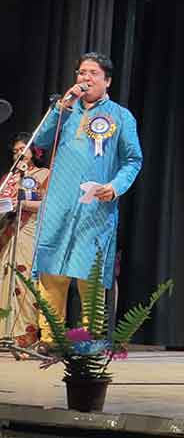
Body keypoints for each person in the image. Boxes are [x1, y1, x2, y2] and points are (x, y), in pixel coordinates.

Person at [31, 52, 143, 353]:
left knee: (88, 272)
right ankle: (50, 338)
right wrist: (59, 108)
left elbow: (133, 160)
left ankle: (86, 340)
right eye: (81, 72)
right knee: (52, 269)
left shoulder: (120, 116)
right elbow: (39, 143)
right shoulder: (64, 112)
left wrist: (115, 186)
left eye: (93, 73)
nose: (85, 78)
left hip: (95, 205)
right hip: (58, 202)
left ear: (107, 81)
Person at [0, 133, 49, 350]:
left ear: (35, 152)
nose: (18, 153)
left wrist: (21, 203)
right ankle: (5, 334)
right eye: (15, 151)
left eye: (23, 149)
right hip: (10, 232)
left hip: (31, 232)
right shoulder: (9, 178)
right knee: (4, 279)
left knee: (24, 281)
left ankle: (25, 336)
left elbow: (49, 205)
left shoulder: (44, 174)